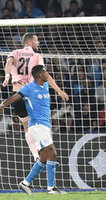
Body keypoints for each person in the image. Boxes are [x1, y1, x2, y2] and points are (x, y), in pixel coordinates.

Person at [2, 33, 69, 161]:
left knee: (27, 127)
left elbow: (9, 61)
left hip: (17, 94)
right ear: (30, 41)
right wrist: (59, 90)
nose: (38, 42)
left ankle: (35, 156)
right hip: (32, 94)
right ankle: (47, 154)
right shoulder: (36, 56)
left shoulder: (15, 52)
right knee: (42, 124)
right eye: (36, 40)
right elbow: (45, 75)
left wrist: (7, 76)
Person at [0, 65, 66, 194]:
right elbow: (14, 98)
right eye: (45, 73)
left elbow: (50, 81)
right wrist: (2, 105)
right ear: (39, 75)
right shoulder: (29, 88)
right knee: (52, 152)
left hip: (45, 125)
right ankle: (51, 188)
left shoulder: (46, 85)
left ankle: (25, 183)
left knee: (44, 158)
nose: (48, 75)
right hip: (36, 125)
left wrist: (59, 91)